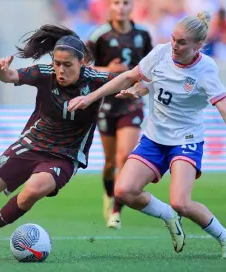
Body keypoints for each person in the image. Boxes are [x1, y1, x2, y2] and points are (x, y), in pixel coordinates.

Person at [0, 24, 174, 261]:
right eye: (57, 63)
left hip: (65, 154)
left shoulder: (95, 79)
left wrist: (136, 91)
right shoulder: (45, 73)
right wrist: (1, 70)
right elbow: (10, 76)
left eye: (67, 65)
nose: (60, 70)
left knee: (33, 190)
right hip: (31, 144)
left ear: (82, 62)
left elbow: (133, 81)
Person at [68, 12, 226, 259]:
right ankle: (169, 218)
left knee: (181, 202)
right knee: (123, 191)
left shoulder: (206, 70)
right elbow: (129, 77)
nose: (174, 45)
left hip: (186, 140)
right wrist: (91, 98)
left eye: (182, 42)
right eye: (173, 39)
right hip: (154, 138)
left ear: (198, 46)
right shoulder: (162, 52)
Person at [86, 0, 153, 229]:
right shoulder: (99, 35)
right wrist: (108, 71)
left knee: (124, 157)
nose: (121, 7)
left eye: (126, 3)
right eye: (117, 3)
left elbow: (151, 68)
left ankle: (116, 209)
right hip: (106, 103)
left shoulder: (143, 35)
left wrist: (141, 86)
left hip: (131, 102)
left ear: (131, 7)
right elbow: (81, 67)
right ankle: (108, 194)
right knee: (109, 163)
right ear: (110, 7)